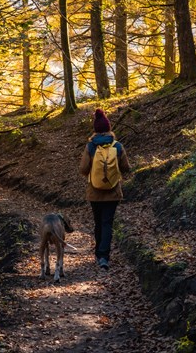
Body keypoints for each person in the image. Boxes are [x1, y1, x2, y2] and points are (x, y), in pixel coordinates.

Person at [79, 109, 131, 270]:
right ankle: (104, 256)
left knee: (98, 222)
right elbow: (126, 168)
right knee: (107, 223)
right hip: (113, 192)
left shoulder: (90, 146)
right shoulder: (118, 146)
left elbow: (83, 169)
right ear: (109, 129)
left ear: (95, 129)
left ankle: (97, 253)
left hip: (94, 192)